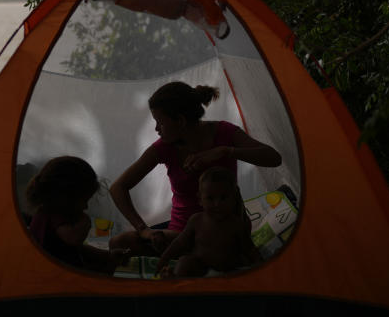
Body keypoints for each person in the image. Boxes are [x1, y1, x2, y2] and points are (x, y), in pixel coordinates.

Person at [108, 81, 281, 256]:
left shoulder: (224, 133)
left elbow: (273, 158)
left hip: (226, 231)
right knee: (119, 243)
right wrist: (143, 229)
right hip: (181, 235)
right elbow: (118, 188)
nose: (156, 129)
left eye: (160, 123)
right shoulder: (164, 147)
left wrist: (225, 151)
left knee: (213, 244)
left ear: (181, 121)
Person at [156, 166, 262, 277]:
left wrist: (260, 265)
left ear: (234, 198)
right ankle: (176, 283)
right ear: (200, 200)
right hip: (201, 268)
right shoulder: (196, 220)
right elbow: (180, 243)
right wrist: (164, 258)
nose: (217, 204)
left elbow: (249, 249)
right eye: (210, 198)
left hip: (229, 270)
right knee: (185, 261)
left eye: (223, 198)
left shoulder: (236, 224)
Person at [25, 156, 123, 274]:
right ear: (67, 197)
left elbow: (78, 250)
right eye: (84, 200)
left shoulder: (48, 211)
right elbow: (75, 239)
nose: (85, 207)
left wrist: (108, 255)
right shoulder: (54, 215)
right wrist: (85, 221)